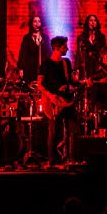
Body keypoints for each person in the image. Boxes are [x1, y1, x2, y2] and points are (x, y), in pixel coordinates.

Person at [40, 36, 80, 167]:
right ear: (57, 48)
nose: (67, 49)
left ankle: (72, 159)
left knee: (73, 130)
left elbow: (72, 81)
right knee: (54, 132)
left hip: (67, 100)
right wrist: (51, 95)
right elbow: (40, 84)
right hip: (53, 101)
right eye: (64, 46)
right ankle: (52, 161)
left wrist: (83, 82)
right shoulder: (46, 64)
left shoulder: (66, 63)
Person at [17, 15, 51, 84]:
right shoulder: (27, 38)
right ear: (31, 24)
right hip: (30, 68)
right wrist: (21, 68)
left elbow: (49, 53)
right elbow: (22, 53)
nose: (37, 23)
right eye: (35, 21)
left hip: (42, 69)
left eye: (39, 21)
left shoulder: (45, 38)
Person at [75, 14, 107, 81]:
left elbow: (104, 52)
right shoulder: (81, 38)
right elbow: (78, 54)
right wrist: (77, 69)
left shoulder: (101, 37)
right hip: (86, 65)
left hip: (97, 65)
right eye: (91, 20)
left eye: (95, 20)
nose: (93, 22)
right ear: (87, 23)